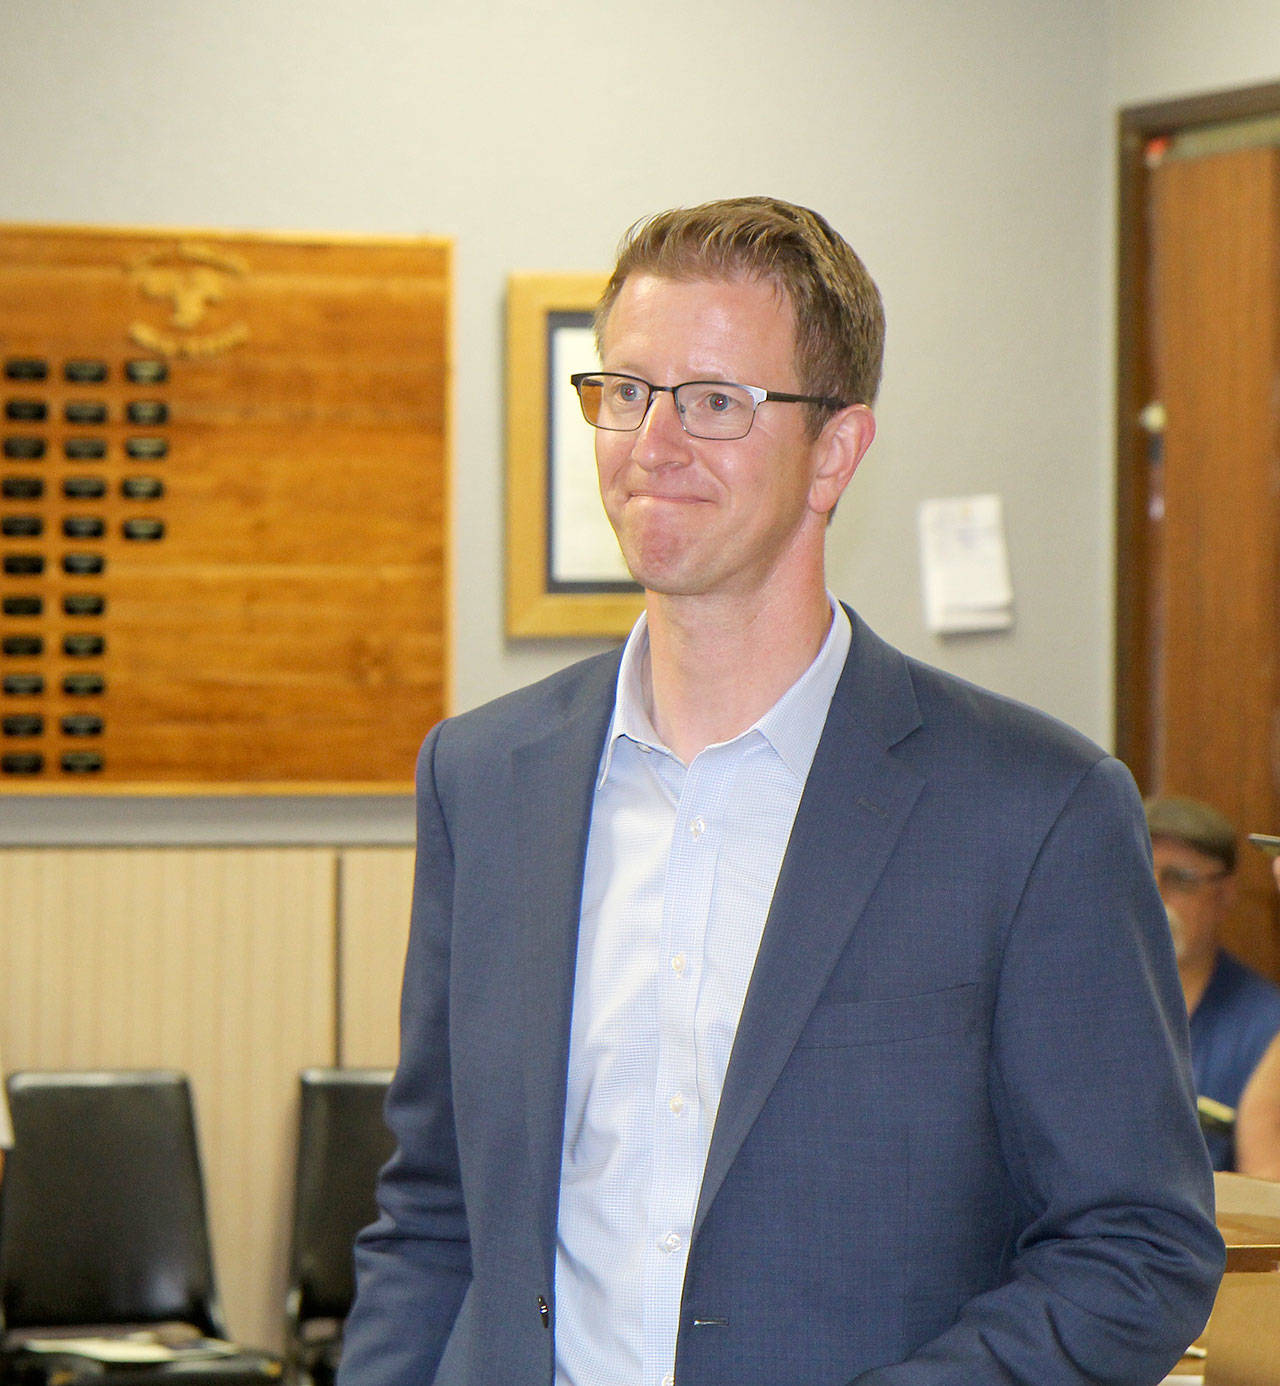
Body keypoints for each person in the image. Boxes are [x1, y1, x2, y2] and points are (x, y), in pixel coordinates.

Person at [339, 197, 1222, 1386]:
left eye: (715, 402)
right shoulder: (483, 779)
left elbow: (1135, 1247)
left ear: (836, 452)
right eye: (624, 391)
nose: (651, 442)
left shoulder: (1033, 811)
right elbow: (435, 1212)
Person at [1145, 795, 1280, 1174]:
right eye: (1139, 875)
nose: (1154, 897)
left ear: (1224, 894)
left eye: (1180, 880)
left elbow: (1267, 1200)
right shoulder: (1077, 1005)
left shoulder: (1267, 1027)